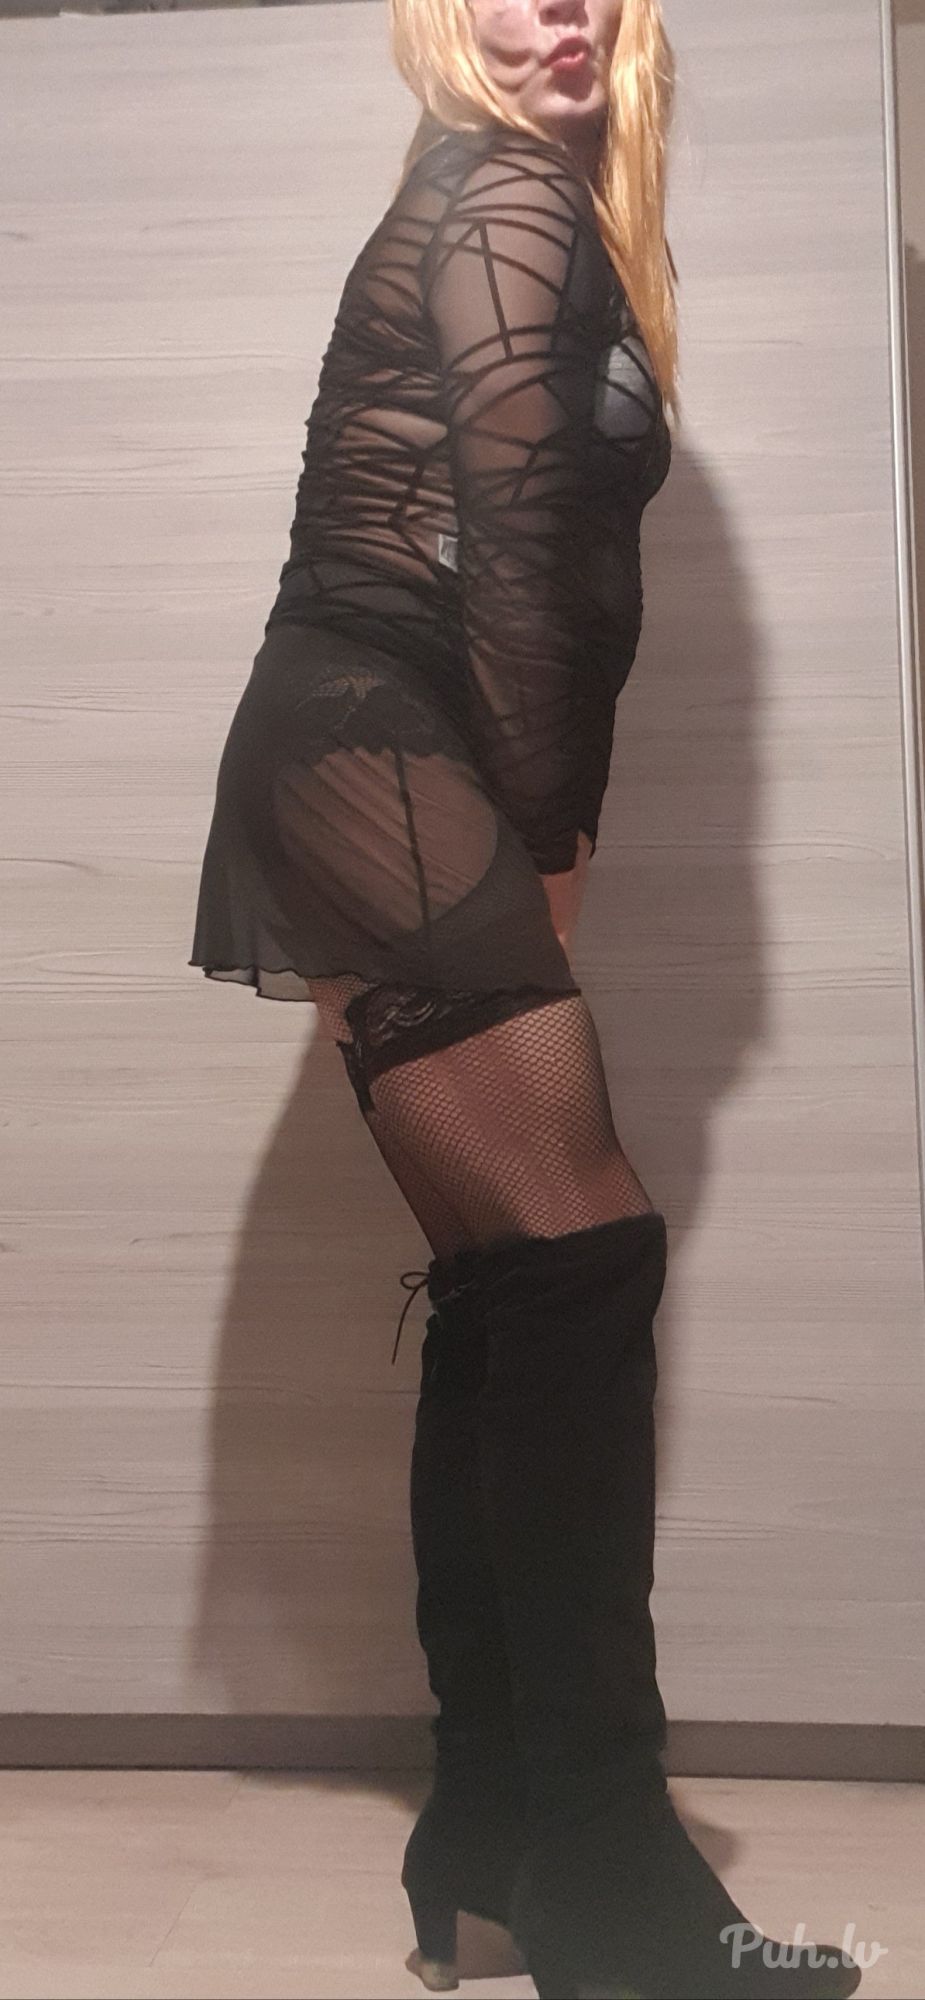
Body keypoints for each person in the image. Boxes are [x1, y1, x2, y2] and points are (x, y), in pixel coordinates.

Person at [189, 0, 863, 1993]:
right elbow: (512, 552)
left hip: (374, 749)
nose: (554, 8)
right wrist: (550, 830)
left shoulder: (521, 200)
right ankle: (605, 1877)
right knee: (577, 1268)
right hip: (387, 744)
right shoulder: (498, 188)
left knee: (522, 1283)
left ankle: (494, 1837)